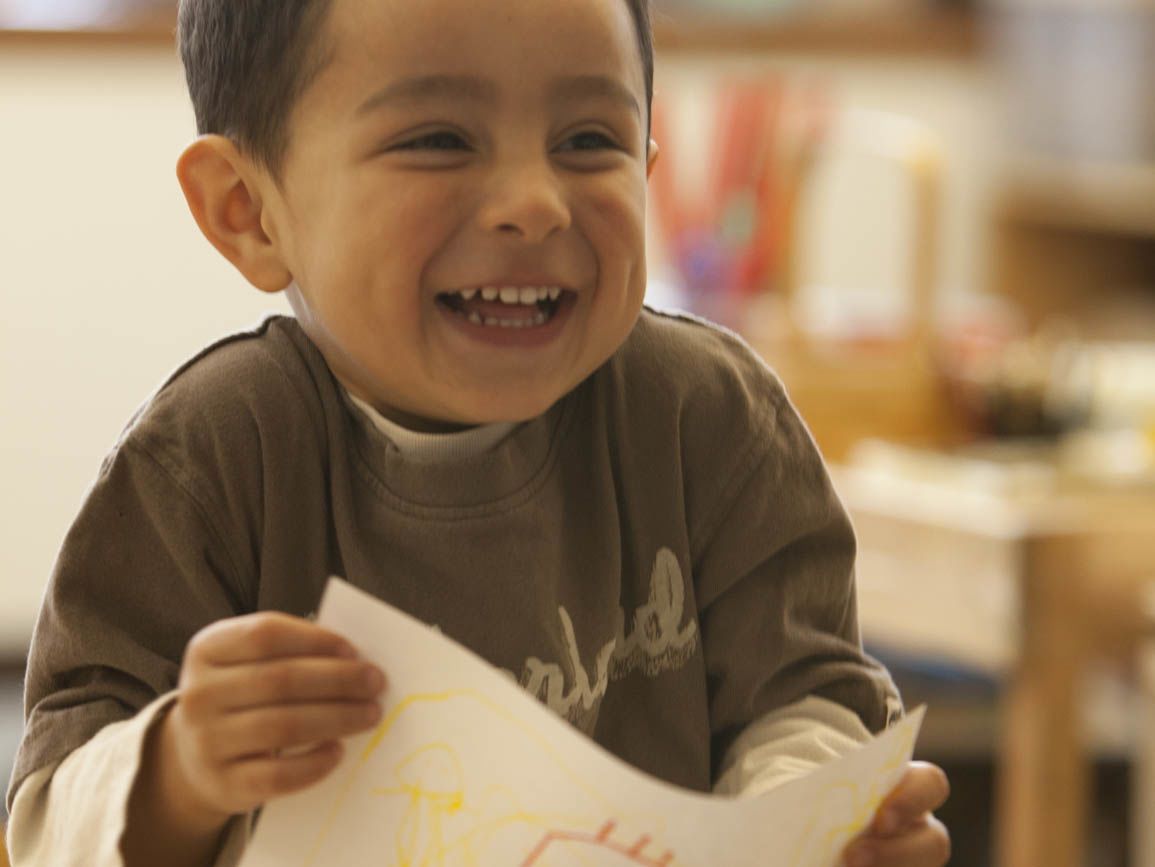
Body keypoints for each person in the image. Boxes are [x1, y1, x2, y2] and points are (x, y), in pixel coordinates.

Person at [4, 0, 950, 865]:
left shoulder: (706, 420)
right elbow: (48, 821)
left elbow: (807, 697)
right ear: (248, 210)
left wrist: (816, 819)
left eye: (588, 140)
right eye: (439, 140)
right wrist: (177, 767)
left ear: (648, 164)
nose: (534, 202)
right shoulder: (208, 463)